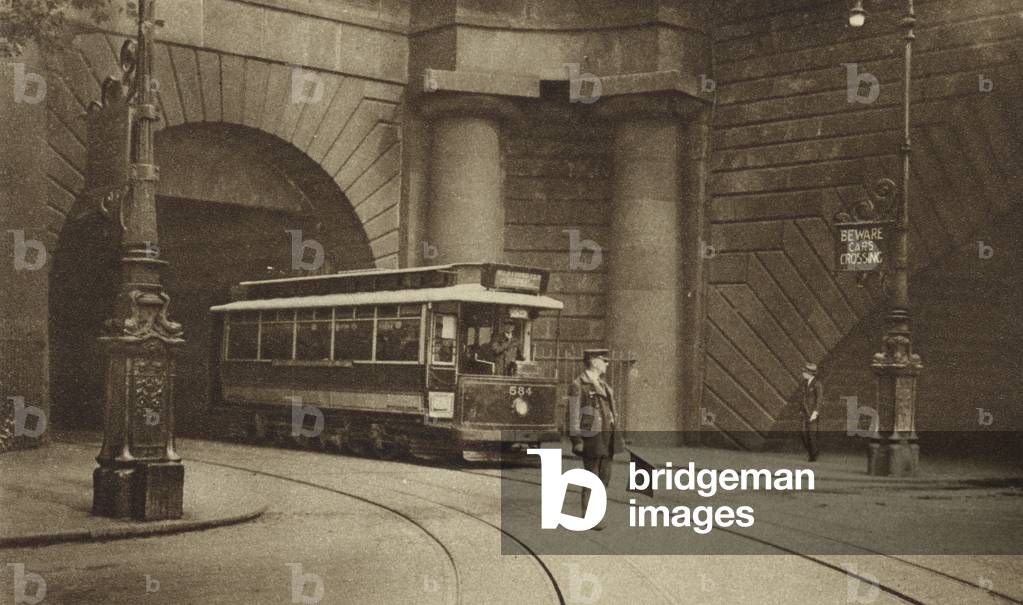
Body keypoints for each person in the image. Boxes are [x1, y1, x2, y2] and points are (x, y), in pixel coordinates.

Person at [568, 349, 619, 530]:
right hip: (591, 437)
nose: (607, 364)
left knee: (605, 477)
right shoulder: (579, 384)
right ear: (594, 361)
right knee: (592, 478)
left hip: (607, 437)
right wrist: (577, 440)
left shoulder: (603, 385)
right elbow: (573, 413)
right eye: (604, 360)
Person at [798, 362, 824, 462]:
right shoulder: (804, 383)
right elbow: (802, 398)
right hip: (805, 413)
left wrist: (815, 412)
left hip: (812, 414)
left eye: (805, 372)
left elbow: (819, 399)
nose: (803, 373)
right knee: (803, 434)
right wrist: (801, 410)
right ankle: (812, 452)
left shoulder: (817, 384)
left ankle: (813, 455)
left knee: (811, 435)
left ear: (810, 373)